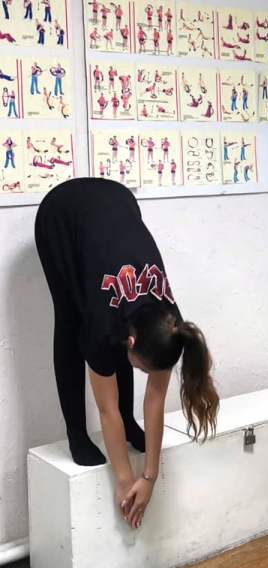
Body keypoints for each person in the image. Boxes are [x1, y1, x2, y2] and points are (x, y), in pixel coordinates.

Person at [35, 178, 219, 529]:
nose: (144, 374)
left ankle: (130, 422)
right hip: (61, 213)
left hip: (117, 204)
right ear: (130, 342)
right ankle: (76, 435)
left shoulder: (170, 327)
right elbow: (106, 409)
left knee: (116, 349)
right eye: (143, 368)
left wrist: (149, 476)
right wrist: (123, 478)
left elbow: (155, 400)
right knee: (72, 321)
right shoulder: (106, 327)